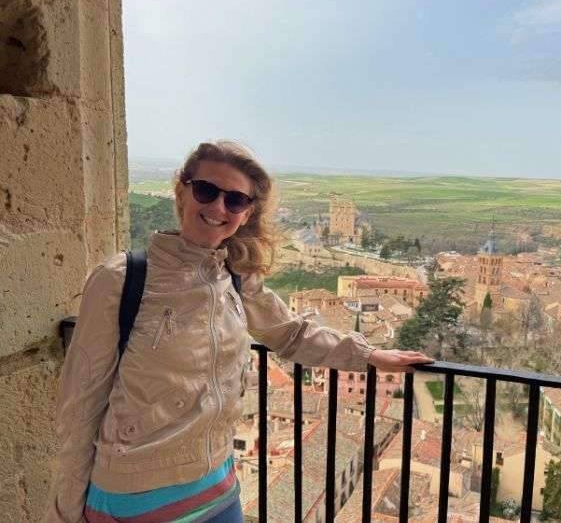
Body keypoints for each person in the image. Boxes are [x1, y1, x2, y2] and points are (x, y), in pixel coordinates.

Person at [46, 141, 433, 522]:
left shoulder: (234, 277)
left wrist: (369, 355)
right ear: (182, 192)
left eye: (234, 200)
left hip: (218, 486)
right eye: (206, 191)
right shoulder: (120, 279)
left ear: (246, 214)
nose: (217, 207)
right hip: (135, 497)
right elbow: (80, 407)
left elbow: (291, 333)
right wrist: (65, 512)